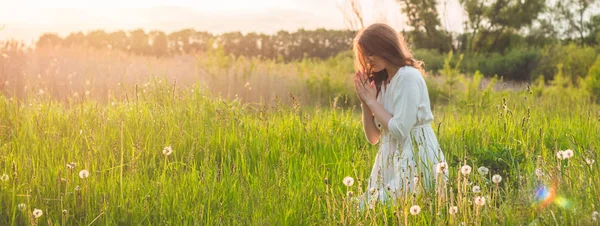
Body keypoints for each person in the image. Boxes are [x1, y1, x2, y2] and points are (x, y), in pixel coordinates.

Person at [352, 23, 447, 208]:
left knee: (378, 206)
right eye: (365, 54)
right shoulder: (383, 81)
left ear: (386, 47)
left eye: (372, 52)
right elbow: (373, 138)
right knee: (362, 207)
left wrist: (372, 102)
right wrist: (365, 103)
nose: (368, 59)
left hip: (416, 157)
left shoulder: (407, 76)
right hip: (389, 159)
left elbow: (400, 130)